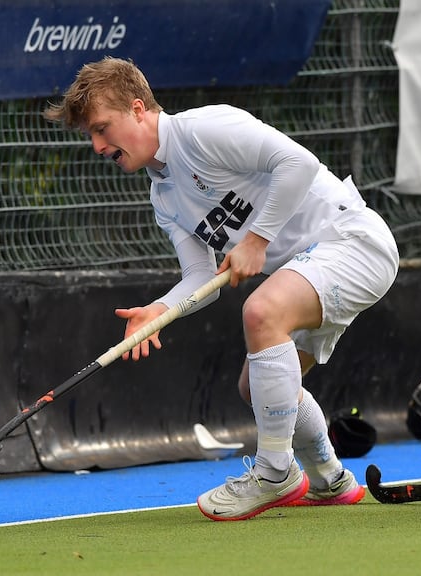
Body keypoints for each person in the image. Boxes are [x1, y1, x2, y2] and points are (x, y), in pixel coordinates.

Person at [43, 57, 399, 521]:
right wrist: (159, 310)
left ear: (137, 109)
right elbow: (202, 281)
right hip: (308, 268)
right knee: (259, 389)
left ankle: (275, 473)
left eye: (101, 129)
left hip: (352, 241)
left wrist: (256, 241)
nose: (96, 146)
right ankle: (331, 479)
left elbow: (299, 162)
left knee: (260, 312)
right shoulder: (163, 197)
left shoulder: (204, 129)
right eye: (90, 135)